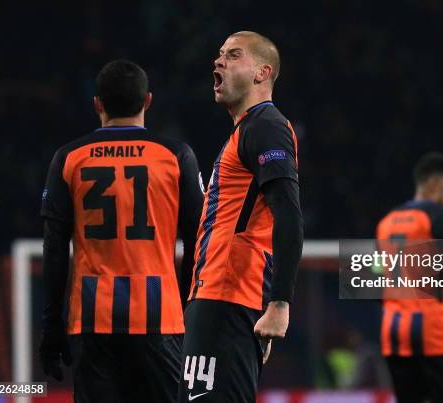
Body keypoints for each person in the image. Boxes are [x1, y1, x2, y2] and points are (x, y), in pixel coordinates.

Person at [39, 60, 204, 403]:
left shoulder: (69, 158)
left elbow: (55, 249)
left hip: (93, 319)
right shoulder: (176, 156)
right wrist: (191, 312)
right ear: (148, 101)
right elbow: (199, 243)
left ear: (97, 103)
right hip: (160, 319)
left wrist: (51, 327)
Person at [179, 31, 303, 402]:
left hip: (228, 297)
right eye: (219, 55)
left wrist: (279, 304)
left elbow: (289, 214)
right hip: (217, 298)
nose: (218, 61)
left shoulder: (265, 125)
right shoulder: (245, 130)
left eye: (233, 56)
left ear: (262, 73)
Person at [376, 152, 443, 403]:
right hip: (434, 329)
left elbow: (376, 282)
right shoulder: (439, 216)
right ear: (434, 184)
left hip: (393, 331)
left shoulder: (386, 222)